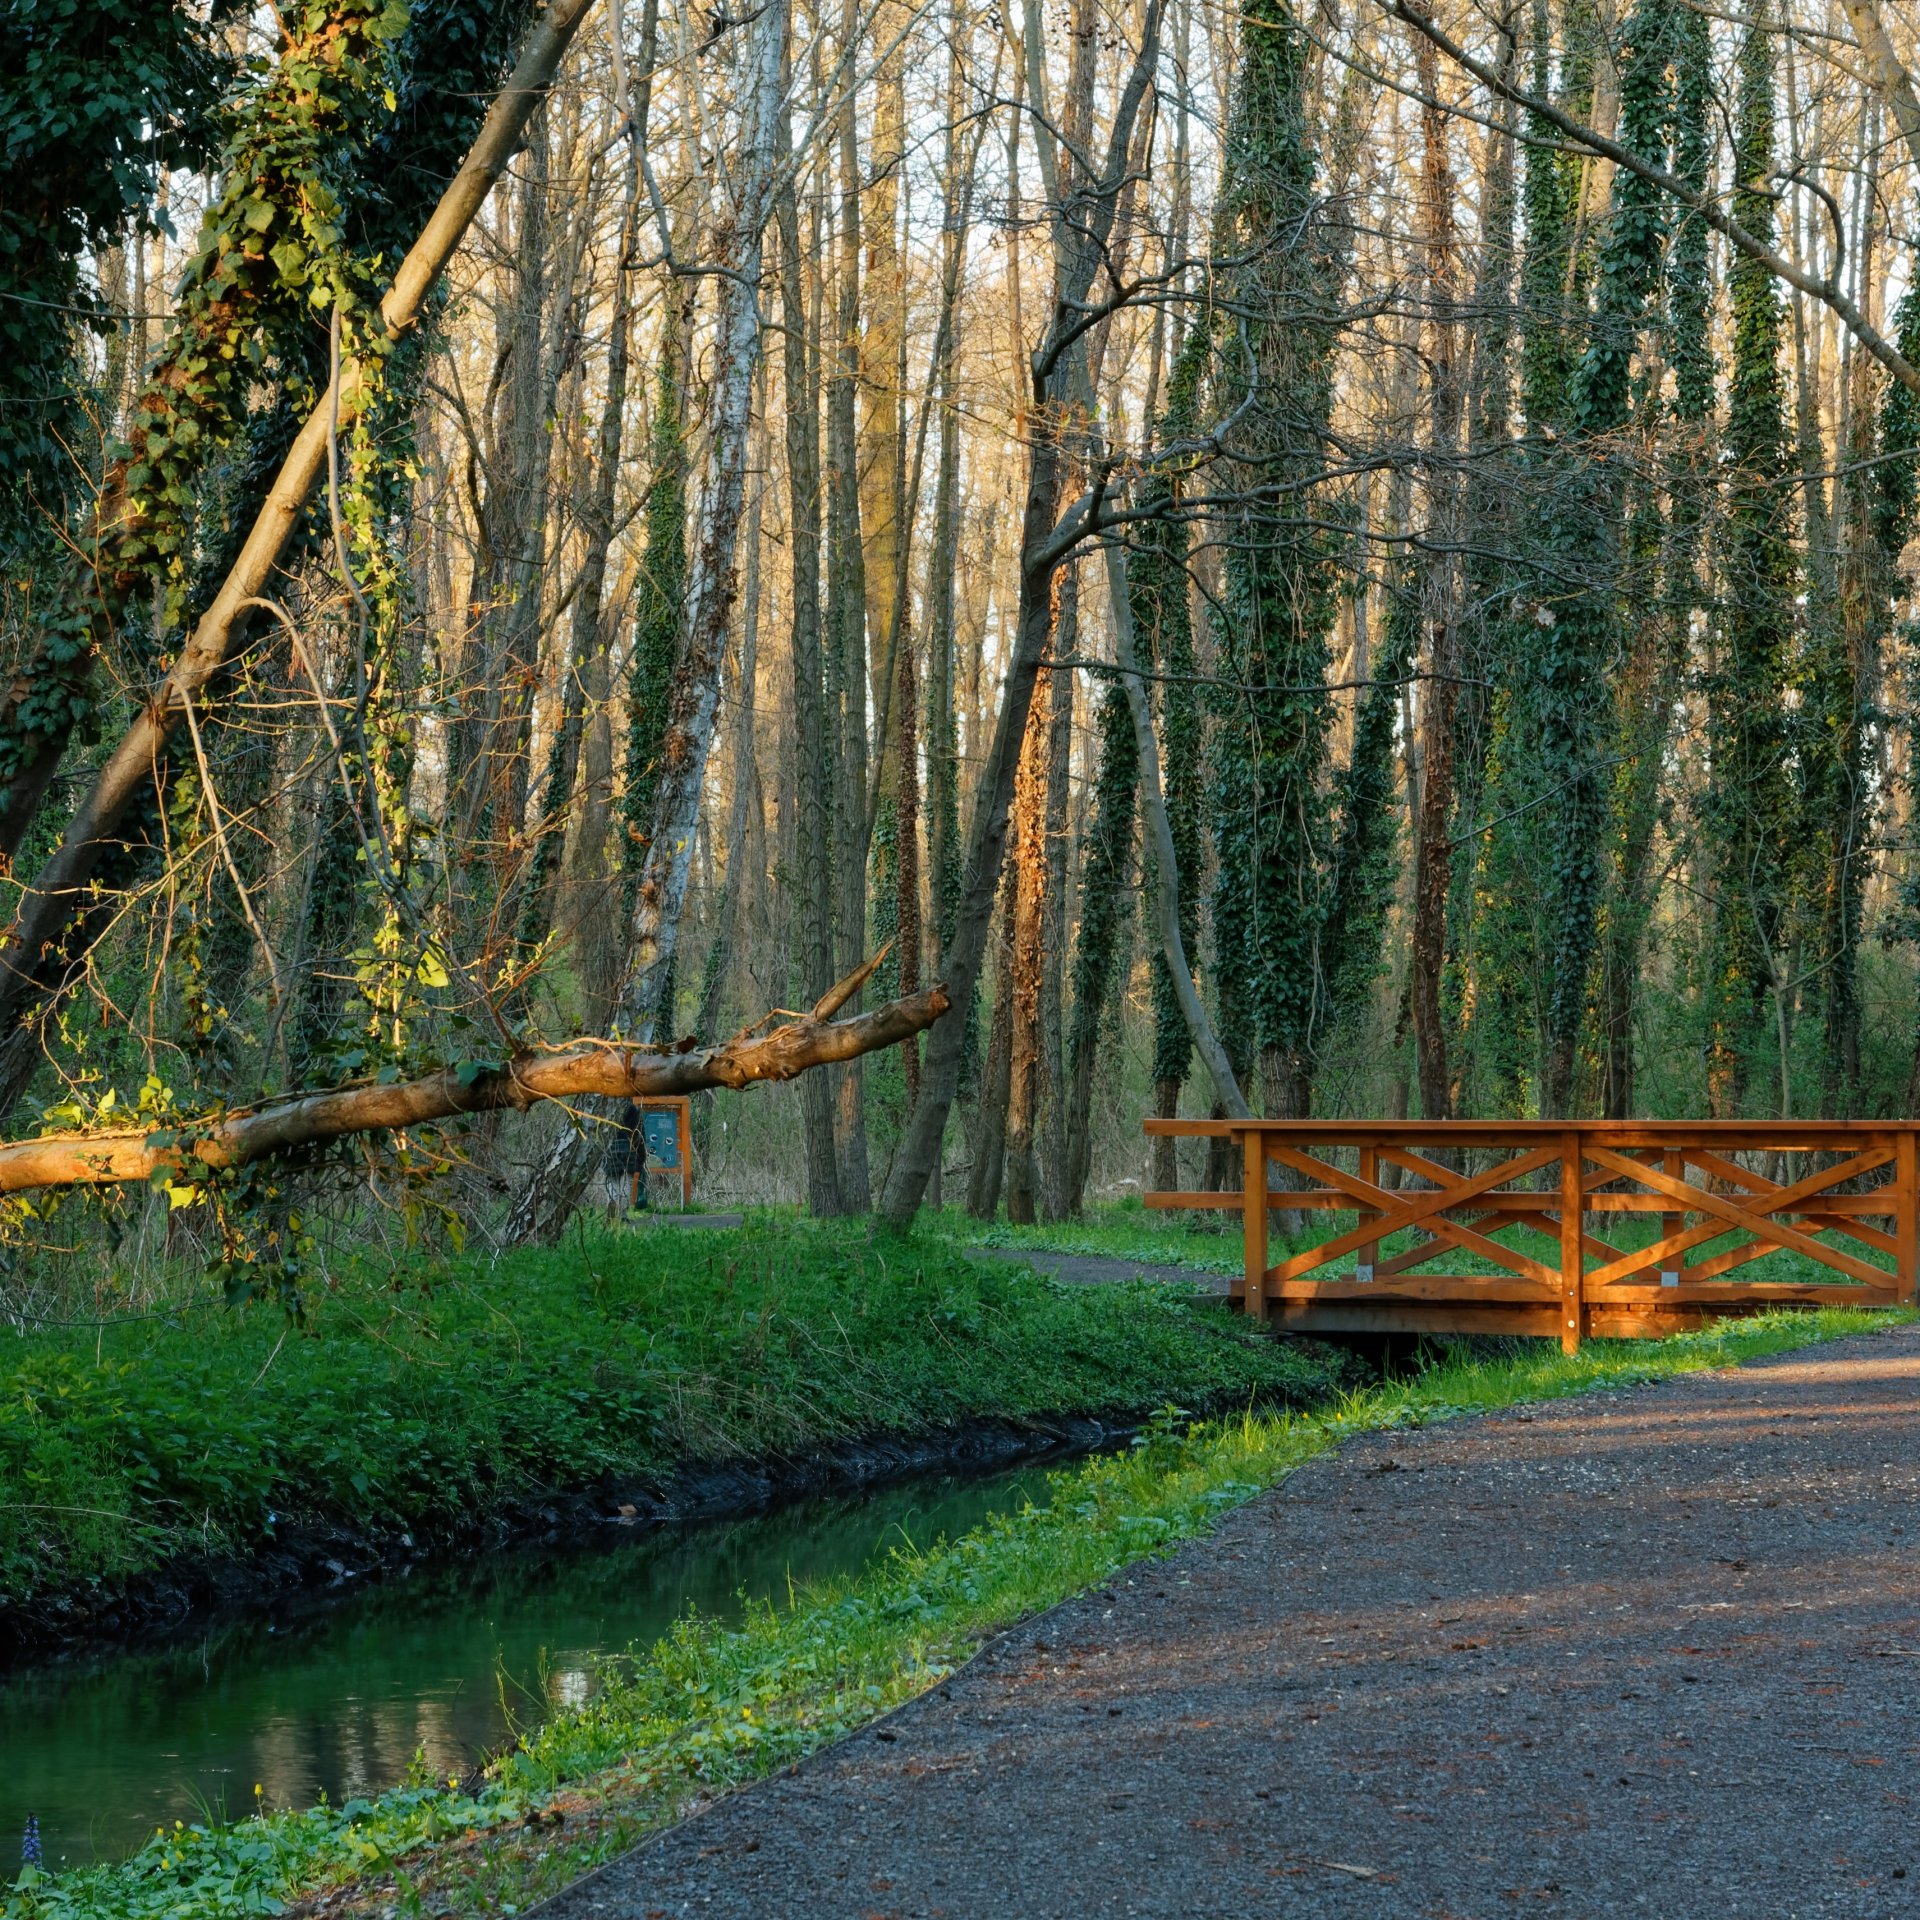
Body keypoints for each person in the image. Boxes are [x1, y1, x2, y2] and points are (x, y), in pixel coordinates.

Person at [602, 1099, 649, 1217]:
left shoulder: (607, 1109)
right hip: (630, 1151)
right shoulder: (634, 1112)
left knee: (612, 1182)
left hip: (611, 1150)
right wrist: (642, 1158)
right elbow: (640, 1137)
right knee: (626, 1184)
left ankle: (612, 1204)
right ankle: (623, 1214)